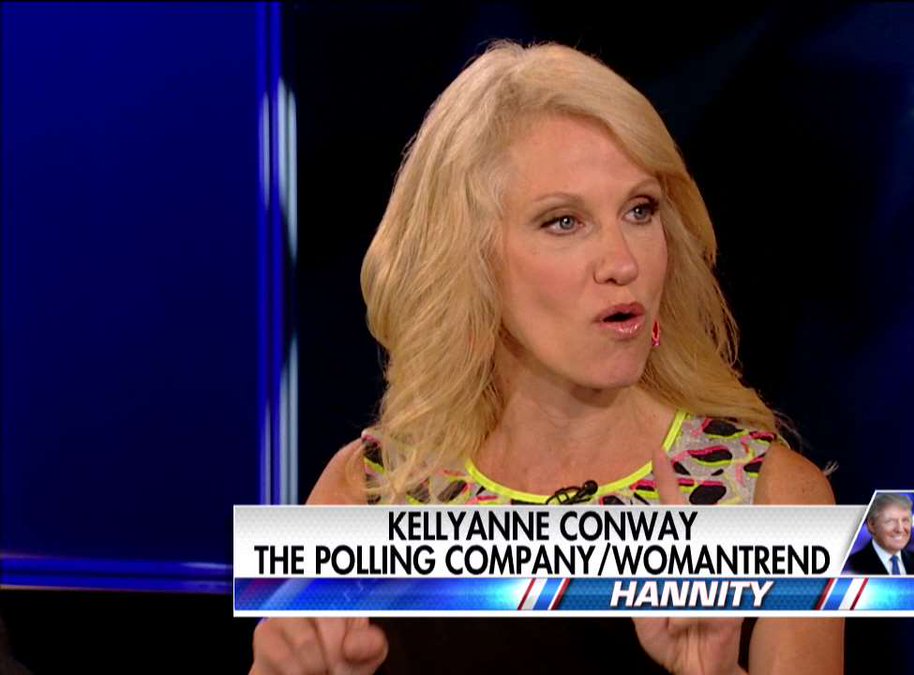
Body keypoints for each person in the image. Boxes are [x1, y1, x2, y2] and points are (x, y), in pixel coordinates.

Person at [250, 40, 842, 674]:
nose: (623, 263)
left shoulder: (777, 498)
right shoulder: (368, 488)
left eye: (640, 211)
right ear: (471, 259)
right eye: (564, 222)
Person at [842, 493, 914, 576]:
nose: (900, 529)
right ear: (872, 525)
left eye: (905, 520)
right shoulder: (849, 567)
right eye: (891, 521)